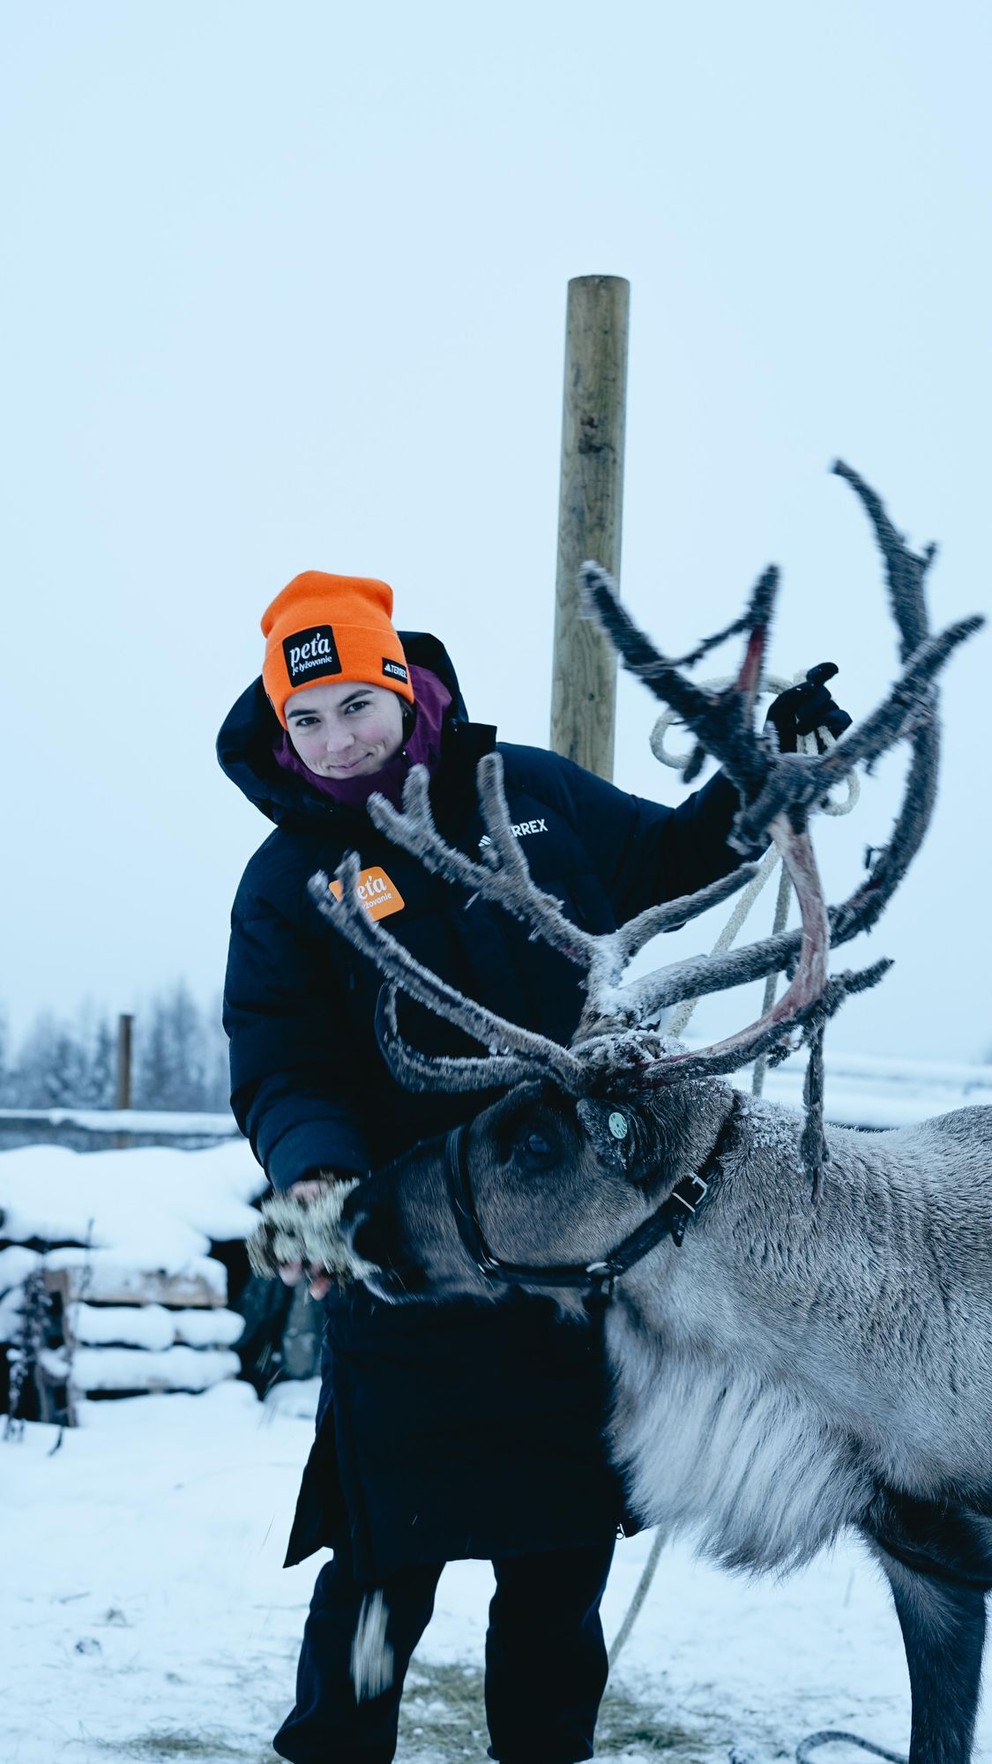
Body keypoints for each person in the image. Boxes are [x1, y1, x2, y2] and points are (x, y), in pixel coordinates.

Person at [217, 570, 850, 1764]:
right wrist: (314, 1175)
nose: (336, 737)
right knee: (380, 1574)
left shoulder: (534, 798)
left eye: (354, 702)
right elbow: (280, 1055)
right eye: (306, 719)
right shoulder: (287, 879)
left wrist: (765, 769)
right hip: (410, 1253)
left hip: (571, 1264)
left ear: (402, 689)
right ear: (281, 731)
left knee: (556, 1578)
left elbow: (670, 852)